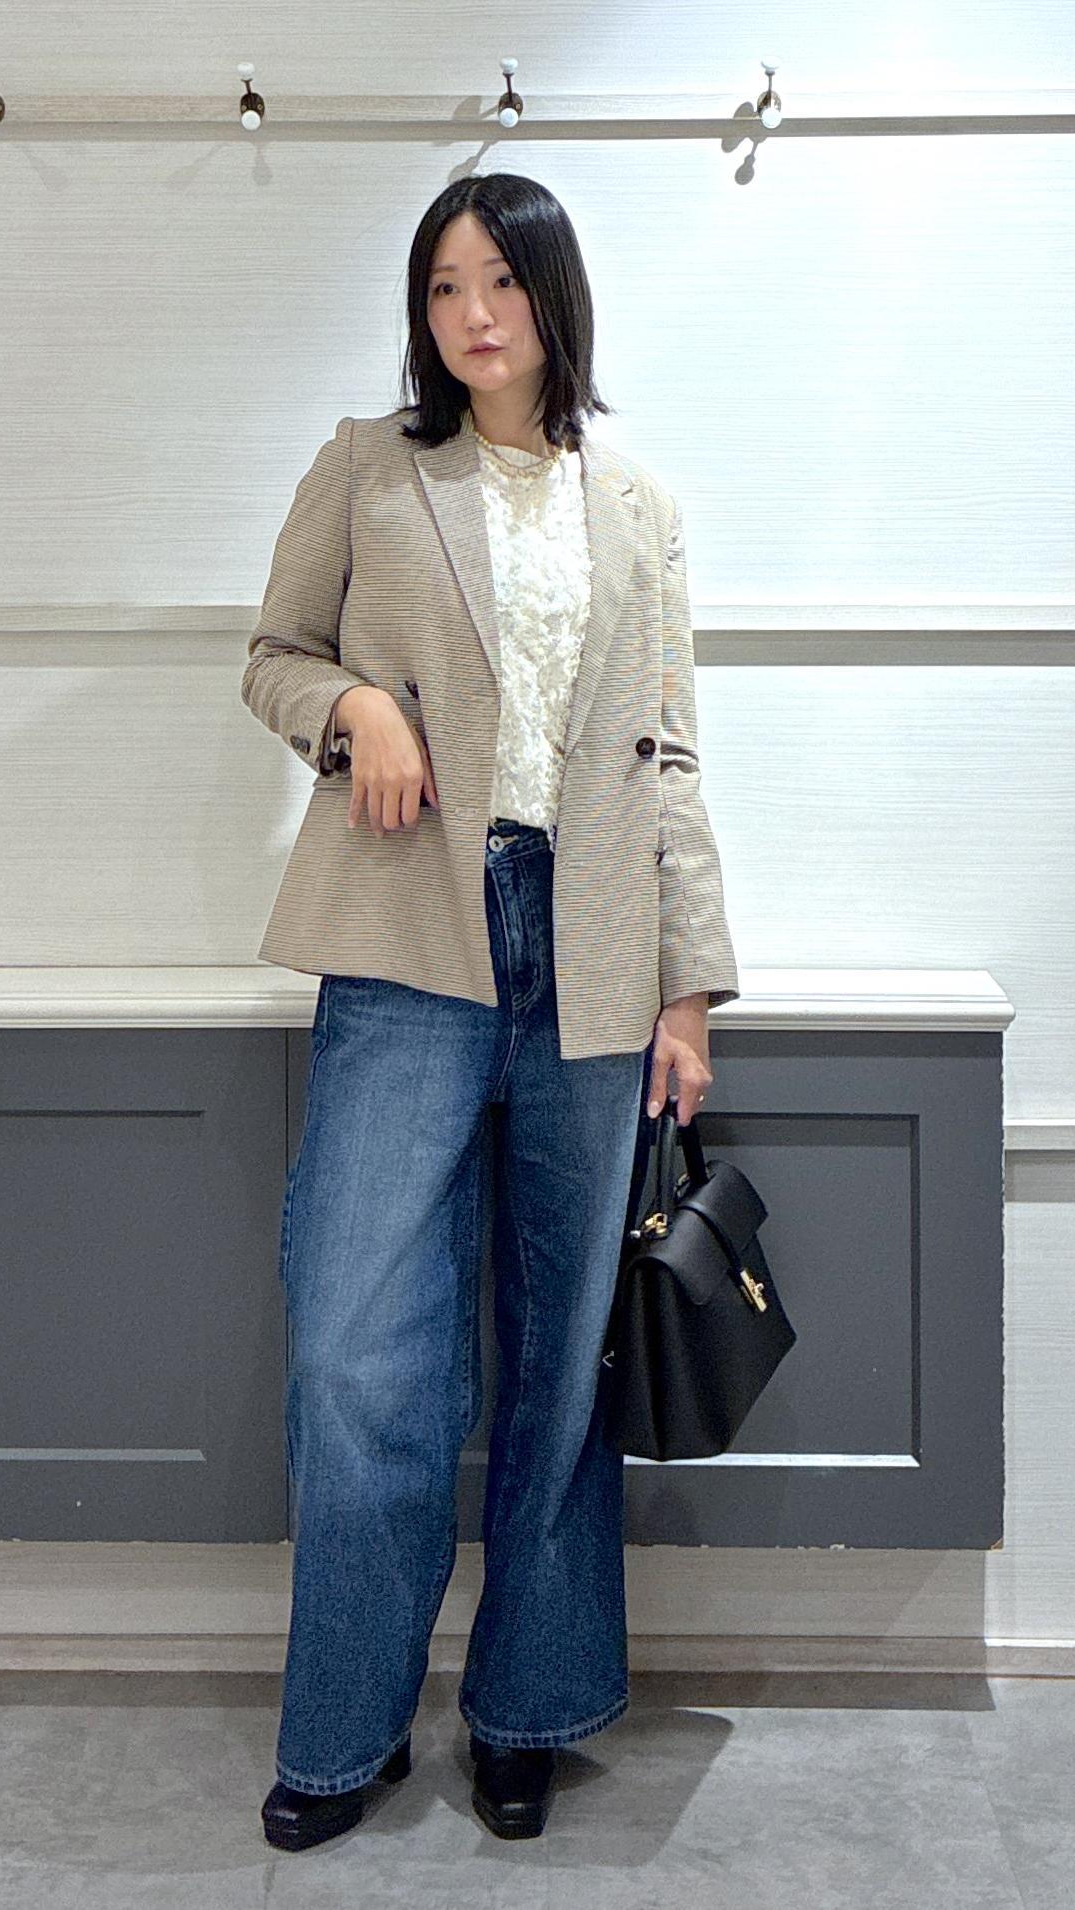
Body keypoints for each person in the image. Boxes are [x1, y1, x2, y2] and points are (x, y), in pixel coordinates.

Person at [241, 173, 740, 1851]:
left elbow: (670, 758)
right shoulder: (370, 468)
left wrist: (688, 985)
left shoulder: (639, 503)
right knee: (355, 1347)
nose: (472, 314)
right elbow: (270, 652)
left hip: (593, 951)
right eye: (444, 286)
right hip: (408, 937)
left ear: (551, 295)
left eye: (501, 282)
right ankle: (345, 1726)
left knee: (562, 1353)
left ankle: (526, 1706)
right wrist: (355, 707)